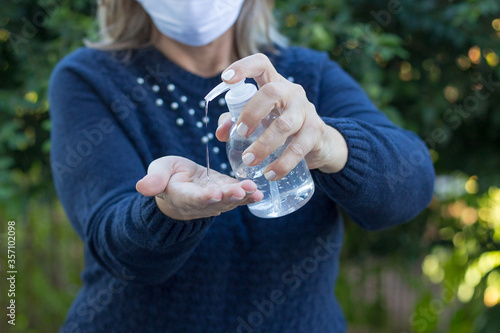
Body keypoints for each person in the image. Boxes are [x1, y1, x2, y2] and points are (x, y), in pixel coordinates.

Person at [49, 0, 435, 332]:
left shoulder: (305, 77)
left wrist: (327, 144)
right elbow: (117, 248)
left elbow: (411, 184)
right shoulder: (89, 78)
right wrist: (166, 211)